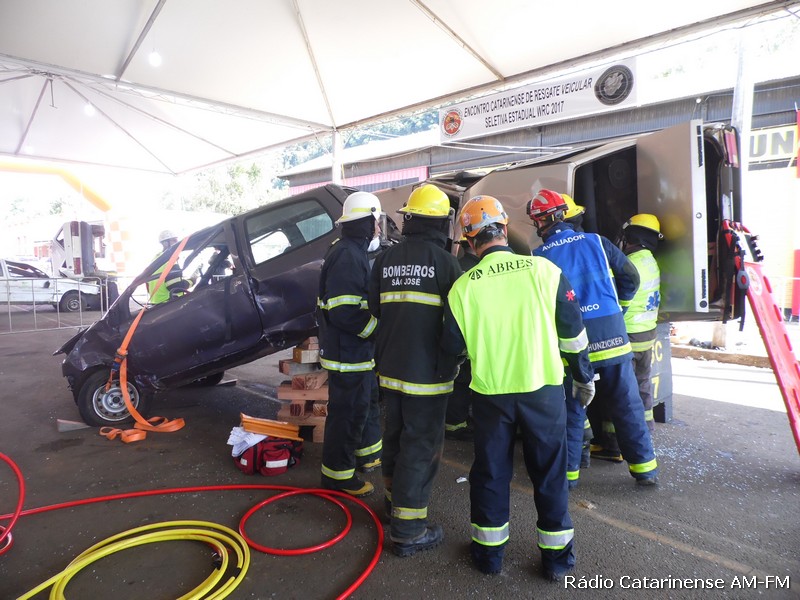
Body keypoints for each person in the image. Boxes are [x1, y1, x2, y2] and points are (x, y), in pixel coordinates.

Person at [439, 195, 593, 581]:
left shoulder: (462, 288)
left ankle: (489, 556)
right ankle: (556, 561)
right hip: (543, 390)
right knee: (550, 473)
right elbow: (573, 334)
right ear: (505, 229)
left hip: (491, 394)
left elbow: (452, 348)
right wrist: (583, 375)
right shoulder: (544, 271)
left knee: (491, 472)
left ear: (470, 242)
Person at [528, 189, 659, 488]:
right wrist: (620, 308)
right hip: (613, 337)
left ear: (540, 222)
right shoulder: (598, 242)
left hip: (574, 344)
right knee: (627, 405)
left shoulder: (539, 258)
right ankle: (645, 470)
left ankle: (568, 477)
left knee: (573, 411)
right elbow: (631, 277)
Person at [368, 184, 462, 557]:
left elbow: (375, 309)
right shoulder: (447, 264)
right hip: (429, 376)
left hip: (391, 369)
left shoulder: (386, 260)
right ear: (440, 223)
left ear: (409, 219)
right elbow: (457, 324)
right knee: (420, 447)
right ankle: (408, 530)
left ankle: (393, 507)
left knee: (395, 437)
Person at [317, 191, 384, 497]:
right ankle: (338, 476)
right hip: (348, 355)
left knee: (365, 405)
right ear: (366, 222)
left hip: (355, 353)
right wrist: (377, 331)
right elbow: (344, 312)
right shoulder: (347, 255)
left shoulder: (350, 251)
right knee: (347, 415)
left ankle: (365, 456)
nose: (378, 230)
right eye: (376, 222)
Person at [590, 214, 663, 458]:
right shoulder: (650, 261)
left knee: (618, 391)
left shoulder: (630, 264)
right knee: (642, 387)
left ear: (631, 236)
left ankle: (613, 446)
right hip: (647, 335)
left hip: (628, 337)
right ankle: (645, 436)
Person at [444, 234, 479, 441]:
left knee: (459, 380)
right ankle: (456, 424)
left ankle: (456, 422)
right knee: (465, 380)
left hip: (456, 331)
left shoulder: (457, 266)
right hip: (473, 333)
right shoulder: (479, 270)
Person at [147, 229, 186, 304]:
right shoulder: (170, 260)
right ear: (165, 243)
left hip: (156, 302)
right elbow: (175, 286)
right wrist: (192, 280)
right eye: (174, 240)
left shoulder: (156, 259)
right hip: (168, 303)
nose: (177, 242)